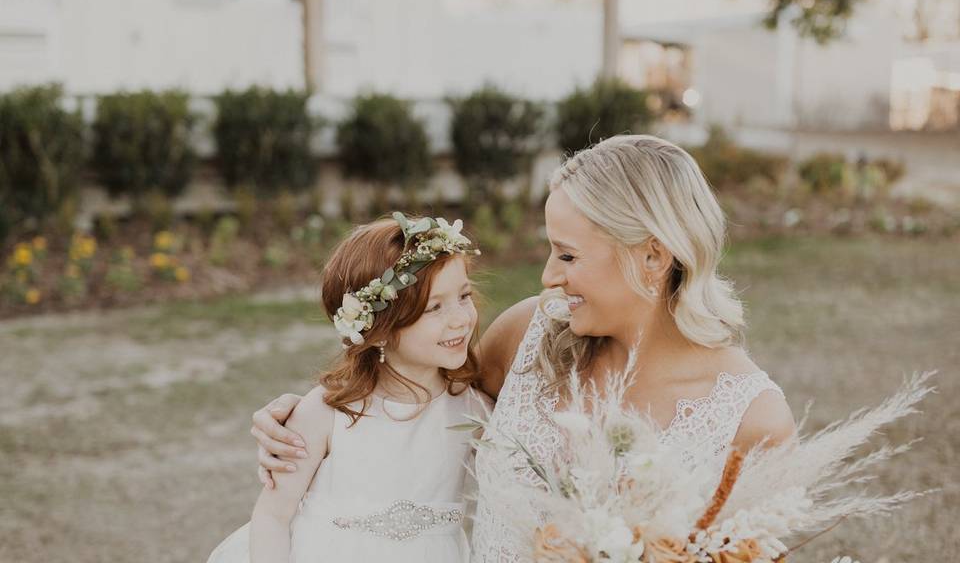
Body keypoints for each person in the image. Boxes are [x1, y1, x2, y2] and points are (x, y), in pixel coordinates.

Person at [251, 135, 796, 562]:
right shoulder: (525, 335)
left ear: (653, 256)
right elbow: (409, 400)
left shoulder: (752, 418)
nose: (547, 276)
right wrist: (297, 421)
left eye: (567, 255)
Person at [208, 213, 486, 563]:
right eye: (435, 308)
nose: (461, 318)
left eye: (464, 296)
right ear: (380, 329)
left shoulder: (473, 410)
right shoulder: (324, 413)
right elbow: (273, 516)